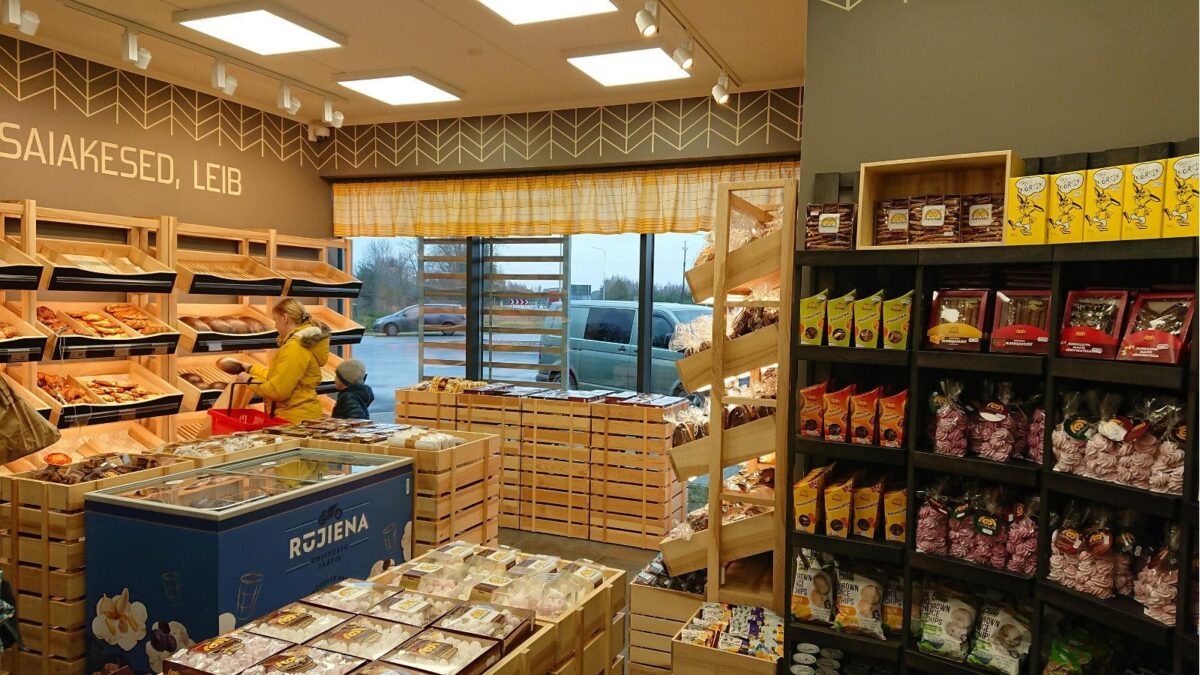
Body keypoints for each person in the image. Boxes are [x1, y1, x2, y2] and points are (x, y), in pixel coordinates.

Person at [235, 298, 330, 423]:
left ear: (285, 318)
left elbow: (278, 391)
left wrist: (249, 381)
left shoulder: (295, 347)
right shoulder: (300, 343)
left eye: (276, 319)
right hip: (301, 415)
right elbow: (280, 377)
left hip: (294, 420)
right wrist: (250, 369)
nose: (275, 325)